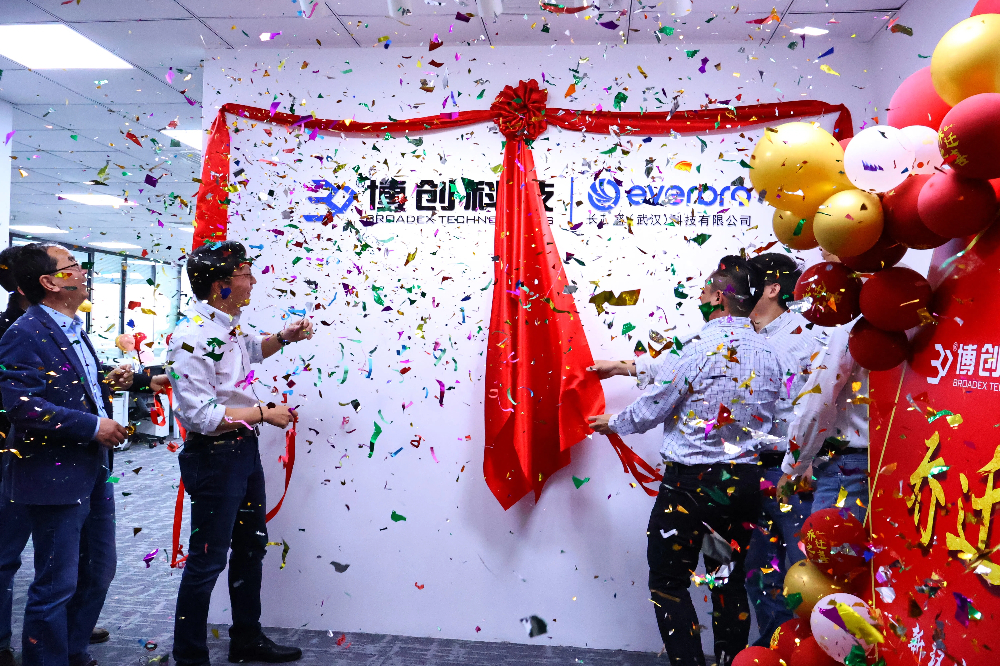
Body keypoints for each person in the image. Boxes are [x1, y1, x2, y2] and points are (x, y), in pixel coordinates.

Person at [588, 256, 787, 666]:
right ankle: (731, 662)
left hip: (690, 489)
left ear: (719, 298)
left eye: (705, 288)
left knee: (669, 582)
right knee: (726, 581)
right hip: (741, 486)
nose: (699, 294)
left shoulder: (700, 348)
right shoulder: (770, 353)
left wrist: (614, 423)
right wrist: (624, 367)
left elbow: (654, 406)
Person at [168, 241, 312, 666]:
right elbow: (200, 415)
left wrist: (283, 338)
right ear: (220, 285)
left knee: (251, 547)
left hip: (241, 450)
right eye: (245, 275)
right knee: (207, 559)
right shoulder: (191, 336)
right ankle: (189, 655)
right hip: (214, 456)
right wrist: (263, 413)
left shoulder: (228, 325)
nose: (252, 282)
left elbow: (251, 350)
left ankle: (246, 638)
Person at [0, 243, 129, 666]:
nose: (83, 271)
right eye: (73, 265)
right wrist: (93, 426)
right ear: (50, 282)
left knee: (98, 570)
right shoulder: (24, 332)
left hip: (92, 469)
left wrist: (108, 385)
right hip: (52, 475)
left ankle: (73, 652)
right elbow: (22, 406)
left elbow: (69, 389)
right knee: (55, 584)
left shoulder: (72, 326)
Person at [741, 253, 823, 646]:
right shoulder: (741, 333)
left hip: (795, 471)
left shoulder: (807, 337)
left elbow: (820, 405)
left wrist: (806, 460)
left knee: (805, 572)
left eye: (745, 281)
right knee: (758, 569)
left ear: (772, 289)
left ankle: (809, 651)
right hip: (750, 469)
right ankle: (775, 646)